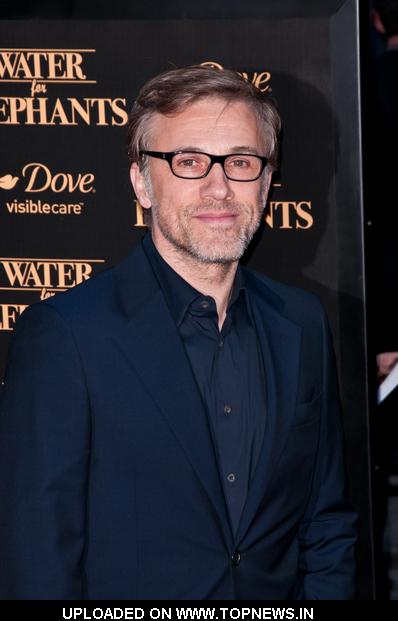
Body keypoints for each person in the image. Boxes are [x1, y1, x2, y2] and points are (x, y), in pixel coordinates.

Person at [0, 65, 357, 600]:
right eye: (188, 161)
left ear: (266, 180)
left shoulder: (302, 324)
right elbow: (38, 556)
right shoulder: (65, 337)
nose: (219, 186)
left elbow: (325, 522)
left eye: (241, 162)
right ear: (141, 181)